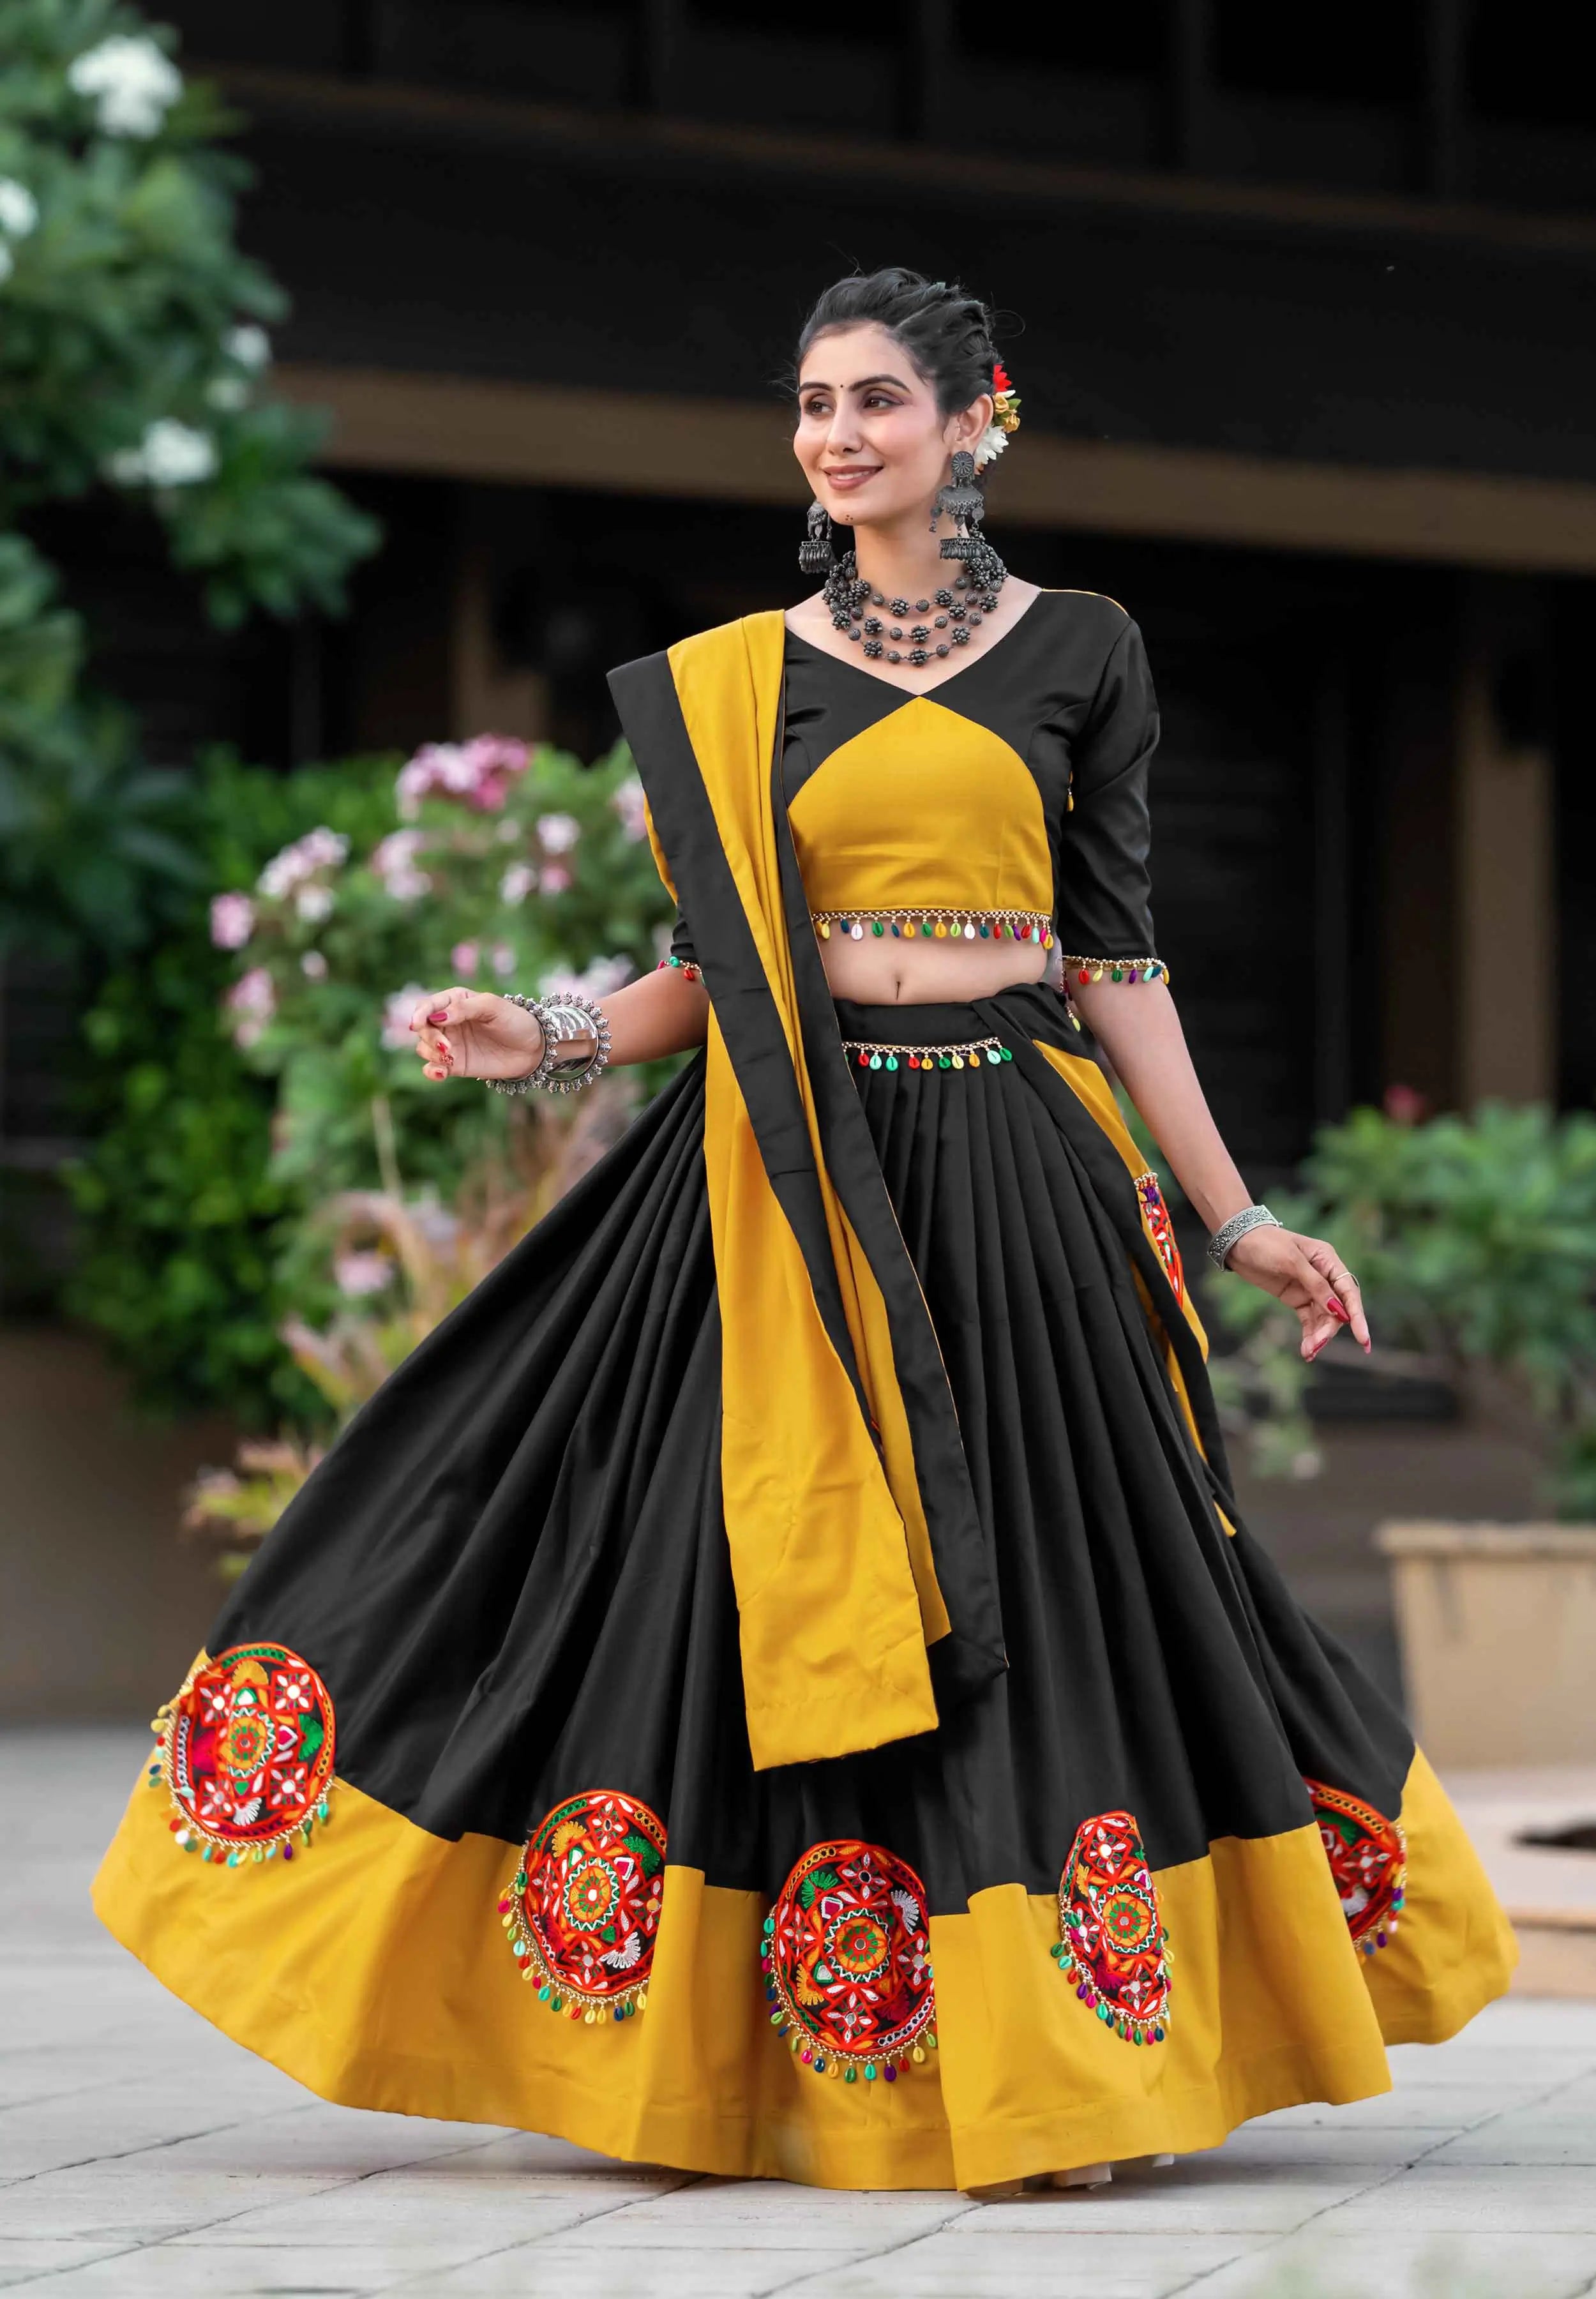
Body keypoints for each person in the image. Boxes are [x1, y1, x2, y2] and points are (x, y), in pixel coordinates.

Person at [94, 267, 1514, 2197]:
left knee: (1039, 1588)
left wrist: (1236, 1214)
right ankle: (703, 2060)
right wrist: (552, 1034)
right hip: (776, 1180)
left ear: (974, 419)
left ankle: (1063, 2067)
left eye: (875, 401)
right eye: (812, 403)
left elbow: (1119, 967)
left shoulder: (1083, 648)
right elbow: (713, 969)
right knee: (705, 1569)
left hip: (1015, 1166)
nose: (836, 436)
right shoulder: (736, 680)